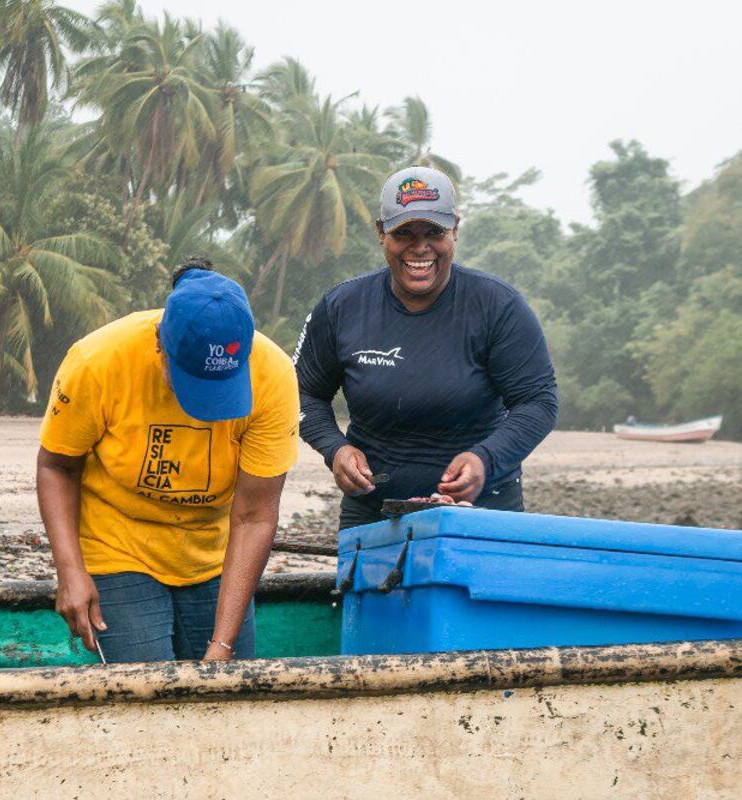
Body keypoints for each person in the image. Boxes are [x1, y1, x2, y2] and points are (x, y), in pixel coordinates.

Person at [36, 260, 299, 662]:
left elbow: (255, 515)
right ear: (160, 341)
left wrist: (222, 645)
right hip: (118, 541)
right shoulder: (97, 361)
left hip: (213, 551)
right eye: (191, 381)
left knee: (228, 684)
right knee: (147, 688)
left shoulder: (274, 376)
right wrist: (70, 571)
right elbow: (57, 466)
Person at [294, 166, 559, 529]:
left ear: (455, 230)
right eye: (404, 233)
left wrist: (485, 459)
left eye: (434, 232)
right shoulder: (342, 307)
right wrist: (335, 448)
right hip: (375, 512)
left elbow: (539, 402)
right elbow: (302, 393)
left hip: (482, 508)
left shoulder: (498, 306)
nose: (420, 247)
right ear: (381, 232)